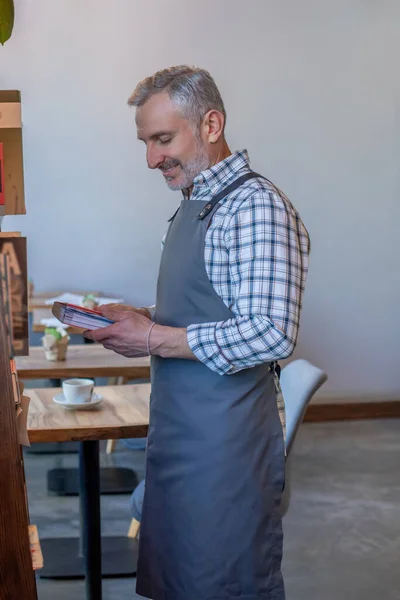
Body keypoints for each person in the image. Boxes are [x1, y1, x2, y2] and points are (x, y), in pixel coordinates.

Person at [85, 65, 310, 600]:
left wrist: (149, 337)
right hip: (179, 435)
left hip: (225, 447)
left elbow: (270, 333)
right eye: (145, 142)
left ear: (211, 125)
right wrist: (138, 316)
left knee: (224, 583)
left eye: (163, 139)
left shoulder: (254, 206)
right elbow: (209, 311)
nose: (151, 158)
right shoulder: (195, 204)